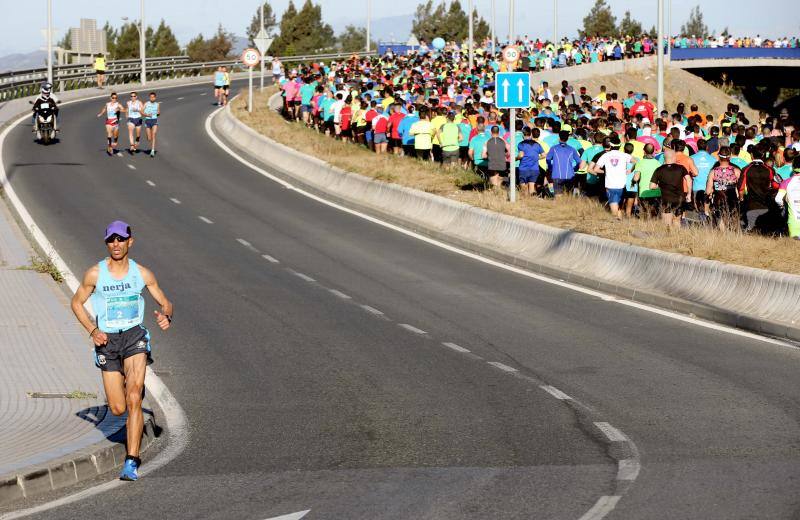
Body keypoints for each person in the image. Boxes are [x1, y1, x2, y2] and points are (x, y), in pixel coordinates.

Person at [70, 221, 173, 482]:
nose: (116, 244)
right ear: (107, 243)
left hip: (134, 337)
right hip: (107, 342)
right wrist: (93, 331)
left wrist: (166, 316)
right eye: (111, 240)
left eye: (121, 239)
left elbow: (165, 302)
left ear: (130, 242)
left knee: (134, 396)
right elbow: (76, 302)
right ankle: (131, 390)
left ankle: (131, 461)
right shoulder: (95, 273)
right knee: (117, 408)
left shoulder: (142, 273)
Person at [592, 138, 634, 218]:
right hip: (622, 185)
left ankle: (617, 226)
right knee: (618, 208)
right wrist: (631, 170)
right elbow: (636, 161)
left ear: (610, 145)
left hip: (610, 185)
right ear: (620, 145)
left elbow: (595, 169)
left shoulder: (605, 155)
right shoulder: (624, 155)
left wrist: (605, 172)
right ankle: (621, 226)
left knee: (614, 211)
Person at [650, 147, 691, 228]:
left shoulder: (659, 170)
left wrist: (661, 185)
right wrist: (689, 194)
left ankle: (668, 238)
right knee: (677, 221)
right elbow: (688, 180)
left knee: (667, 224)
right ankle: (676, 238)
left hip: (666, 199)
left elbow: (652, 186)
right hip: (679, 198)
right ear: (674, 157)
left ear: (664, 158)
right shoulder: (681, 168)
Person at [705, 146, 741, 230]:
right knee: (733, 222)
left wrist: (708, 198)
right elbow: (741, 188)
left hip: (718, 199)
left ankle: (723, 237)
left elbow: (708, 191)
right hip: (732, 199)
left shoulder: (713, 172)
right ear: (730, 156)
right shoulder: (736, 171)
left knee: (720, 221)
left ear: (719, 156)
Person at [774, 156, 800, 239]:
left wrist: (783, 205)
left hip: (794, 222)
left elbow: (778, 199)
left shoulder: (786, 182)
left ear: (793, 167)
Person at [517, 127, 544, 196]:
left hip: (524, 169)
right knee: (531, 188)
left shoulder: (521, 144)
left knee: (524, 189)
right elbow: (543, 155)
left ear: (523, 135)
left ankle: (525, 203)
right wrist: (536, 158)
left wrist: (515, 158)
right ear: (531, 134)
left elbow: (521, 155)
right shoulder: (537, 144)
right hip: (534, 169)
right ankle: (531, 202)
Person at [142, 92, 160, 157]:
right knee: (149, 138)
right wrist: (147, 114)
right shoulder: (146, 104)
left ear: (155, 98)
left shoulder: (157, 104)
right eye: (151, 97)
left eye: (153, 97)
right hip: (147, 120)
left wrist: (158, 113)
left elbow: (158, 112)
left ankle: (152, 150)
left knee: (154, 134)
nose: (152, 98)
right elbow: (141, 111)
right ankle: (149, 138)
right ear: (149, 97)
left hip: (154, 120)